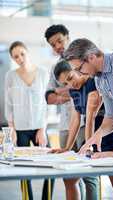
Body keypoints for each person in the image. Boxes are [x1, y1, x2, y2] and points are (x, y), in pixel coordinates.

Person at [53, 59, 113, 200]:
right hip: (92, 140)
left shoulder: (93, 82)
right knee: (70, 180)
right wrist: (67, 148)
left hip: (110, 138)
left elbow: (90, 118)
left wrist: (90, 146)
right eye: (65, 83)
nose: (70, 84)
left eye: (70, 78)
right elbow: (76, 119)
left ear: (76, 69)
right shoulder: (73, 91)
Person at [44, 25, 99, 200]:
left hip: (86, 125)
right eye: (53, 44)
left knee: (89, 176)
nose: (57, 46)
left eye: (59, 40)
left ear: (68, 37)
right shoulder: (56, 69)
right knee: (69, 178)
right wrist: (69, 90)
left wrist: (63, 91)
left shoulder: (83, 62)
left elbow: (85, 88)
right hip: (66, 126)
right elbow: (49, 97)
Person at [5, 41, 48, 200]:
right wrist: (12, 130)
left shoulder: (43, 73)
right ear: (13, 59)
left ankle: (46, 197)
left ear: (27, 52)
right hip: (20, 129)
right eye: (16, 56)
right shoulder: (10, 76)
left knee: (49, 166)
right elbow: (9, 105)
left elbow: (46, 104)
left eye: (22, 54)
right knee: (23, 169)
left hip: (39, 129)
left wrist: (43, 128)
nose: (20, 58)